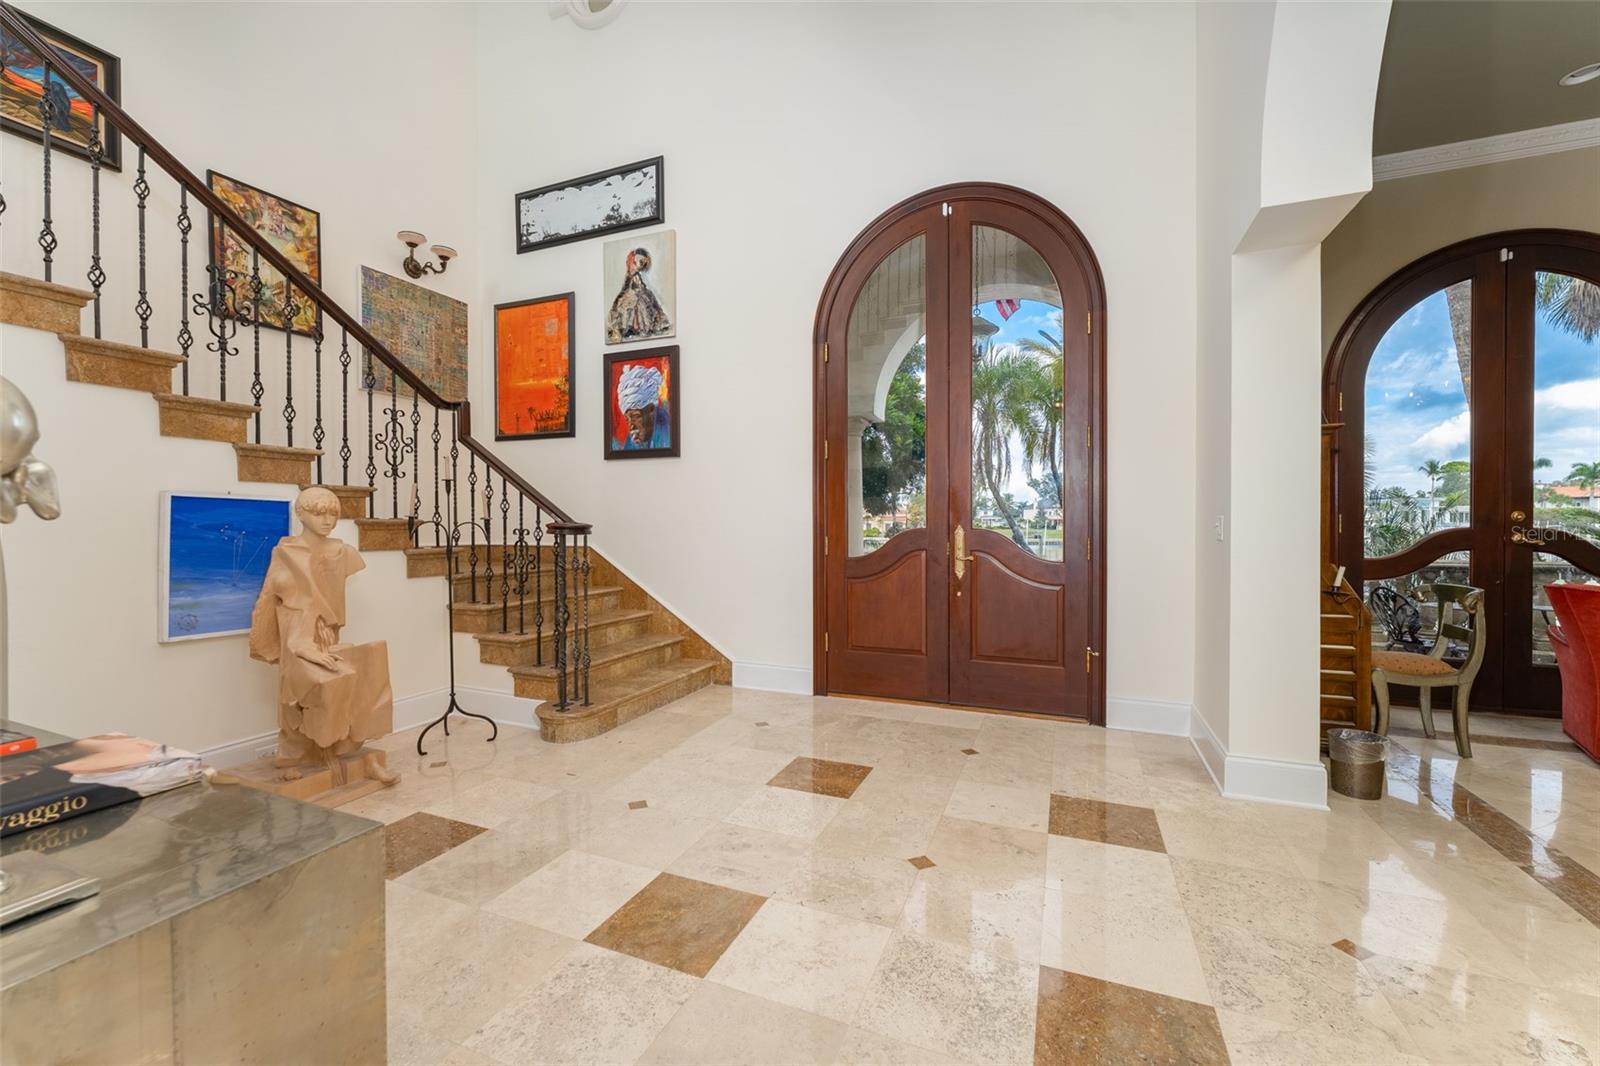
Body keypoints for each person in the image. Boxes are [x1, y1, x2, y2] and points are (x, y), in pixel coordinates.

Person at [249, 487, 397, 784]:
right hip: (297, 631)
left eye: (332, 513)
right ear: (301, 514)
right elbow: (274, 597)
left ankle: (340, 751)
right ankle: (294, 755)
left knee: (353, 682)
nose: (327, 520)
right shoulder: (288, 554)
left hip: (330, 632)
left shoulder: (343, 552)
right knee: (296, 695)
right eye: (319, 513)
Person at [606, 248, 671, 343]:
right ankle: (632, 327)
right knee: (634, 303)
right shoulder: (630, 274)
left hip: (639, 293)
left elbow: (641, 285)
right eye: (639, 262)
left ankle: (647, 324)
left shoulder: (637, 275)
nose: (640, 266)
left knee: (647, 299)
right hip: (632, 295)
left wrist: (642, 289)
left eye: (643, 263)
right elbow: (626, 287)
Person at [614, 363, 671, 450]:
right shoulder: (633, 438)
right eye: (627, 419)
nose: (631, 426)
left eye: (636, 416)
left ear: (651, 410)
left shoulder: (668, 433)